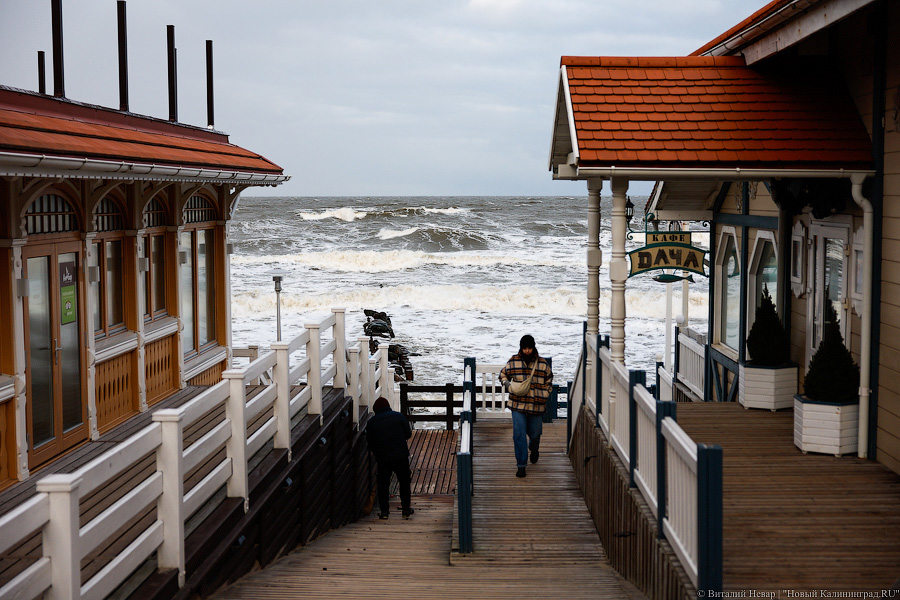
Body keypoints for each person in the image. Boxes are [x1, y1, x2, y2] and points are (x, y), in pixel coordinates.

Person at [499, 335, 553, 478]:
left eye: (529, 348)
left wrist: (546, 392)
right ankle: (521, 465)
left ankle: (534, 449)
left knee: (535, 434)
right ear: (521, 348)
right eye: (525, 348)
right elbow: (503, 374)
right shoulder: (513, 361)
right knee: (519, 434)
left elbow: (549, 380)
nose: (527, 351)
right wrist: (507, 385)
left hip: (536, 405)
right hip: (518, 404)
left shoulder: (542, 364)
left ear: (533, 347)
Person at [364, 397, 414, 519]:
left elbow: (370, 443)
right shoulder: (399, 416)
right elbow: (408, 434)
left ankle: (385, 512)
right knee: (404, 482)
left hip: (383, 458)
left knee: (383, 484)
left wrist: (377, 454)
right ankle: (406, 509)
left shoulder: (372, 423)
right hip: (400, 456)